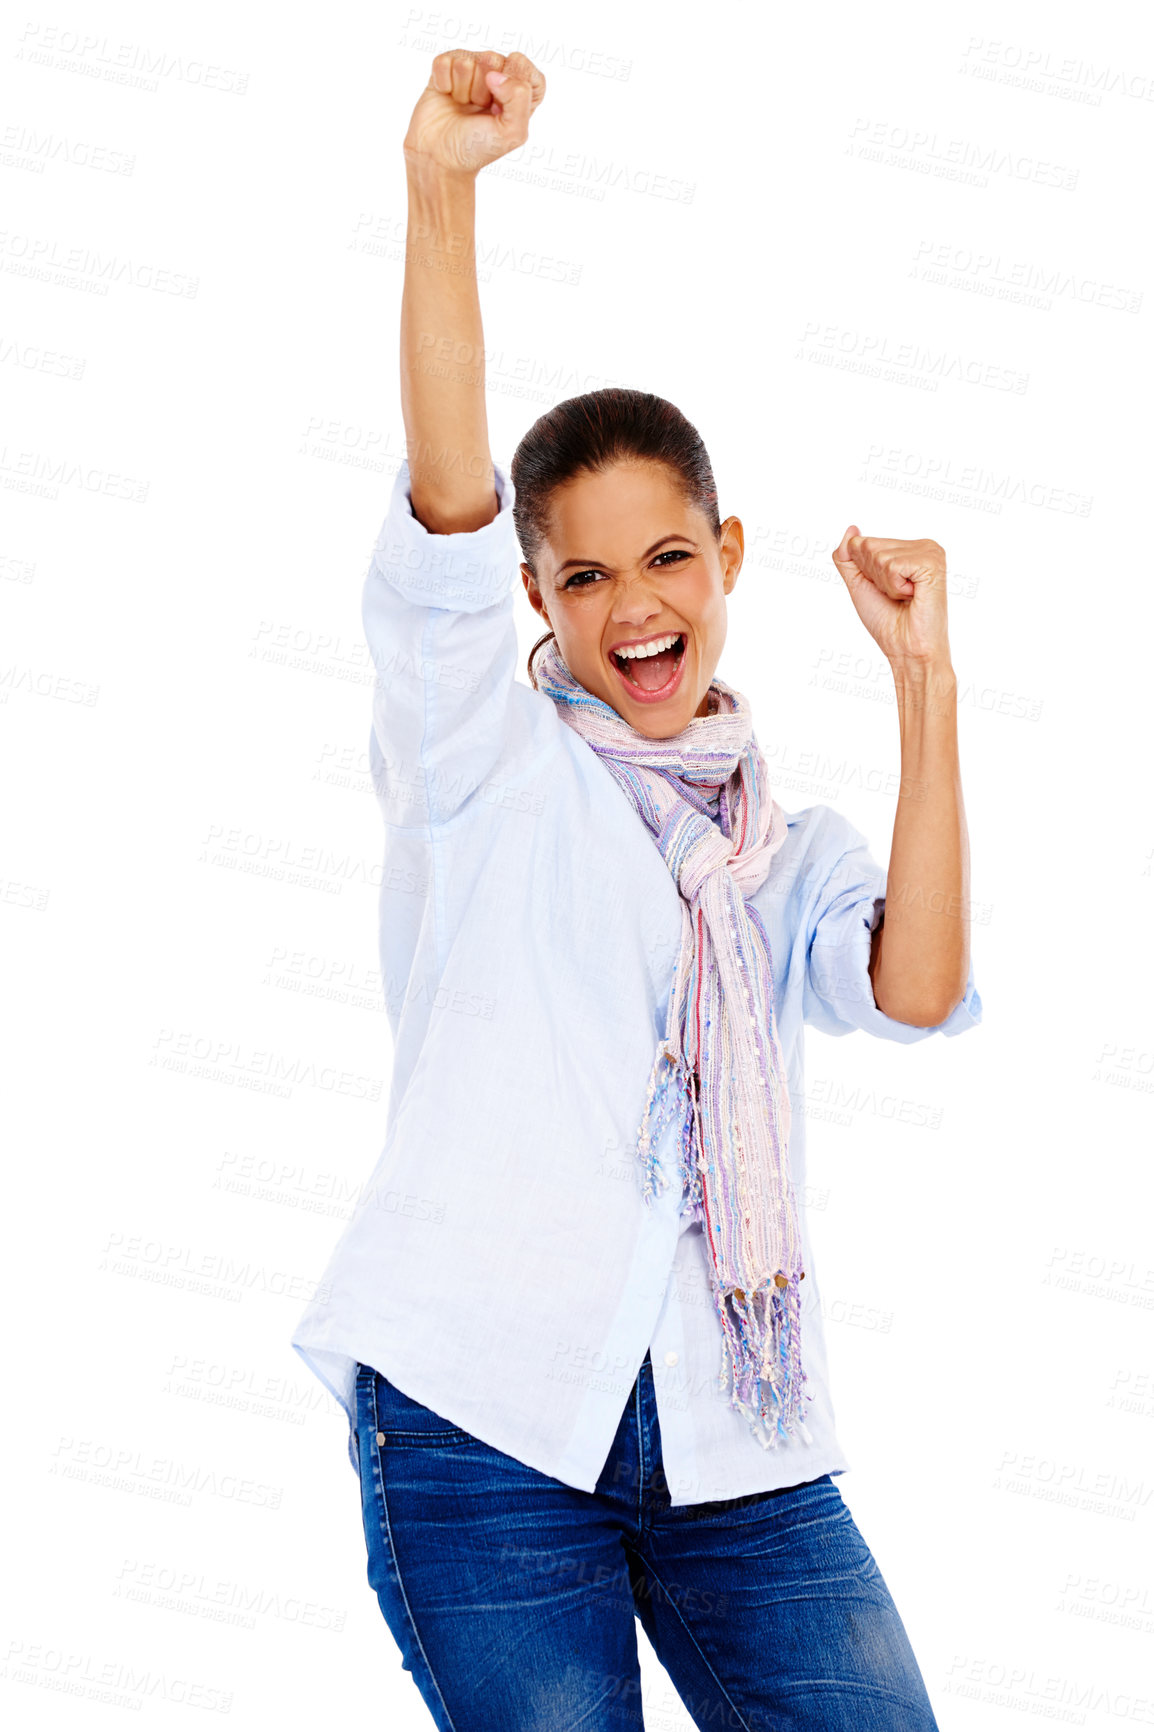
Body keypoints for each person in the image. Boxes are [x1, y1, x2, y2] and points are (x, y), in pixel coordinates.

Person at [291, 46, 981, 1732]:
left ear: (727, 556)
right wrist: (442, 192)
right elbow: (447, 503)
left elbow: (910, 986)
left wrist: (926, 687)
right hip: (485, 1417)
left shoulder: (776, 846)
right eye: (580, 575)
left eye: (666, 557)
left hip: (735, 1429)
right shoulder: (484, 764)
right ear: (531, 591)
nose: (633, 610)